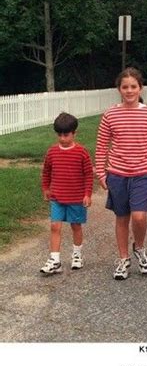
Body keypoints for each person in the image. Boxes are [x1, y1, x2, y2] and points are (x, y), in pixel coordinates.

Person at [95, 67, 147, 280]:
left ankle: (140, 247)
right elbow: (101, 146)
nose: (129, 91)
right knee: (122, 217)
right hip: (117, 173)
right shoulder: (110, 114)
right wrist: (101, 172)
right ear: (119, 89)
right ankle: (123, 258)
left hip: (143, 172)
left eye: (133, 86)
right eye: (125, 87)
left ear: (140, 88)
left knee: (139, 215)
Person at [40, 112, 93, 274]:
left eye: (66, 135)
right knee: (55, 226)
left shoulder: (82, 152)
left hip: (76, 198)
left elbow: (88, 174)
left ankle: (77, 255)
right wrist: (46, 188)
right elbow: (46, 172)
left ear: (74, 133)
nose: (63, 138)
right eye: (60, 135)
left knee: (75, 226)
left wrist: (87, 194)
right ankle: (55, 260)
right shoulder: (52, 152)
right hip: (57, 197)